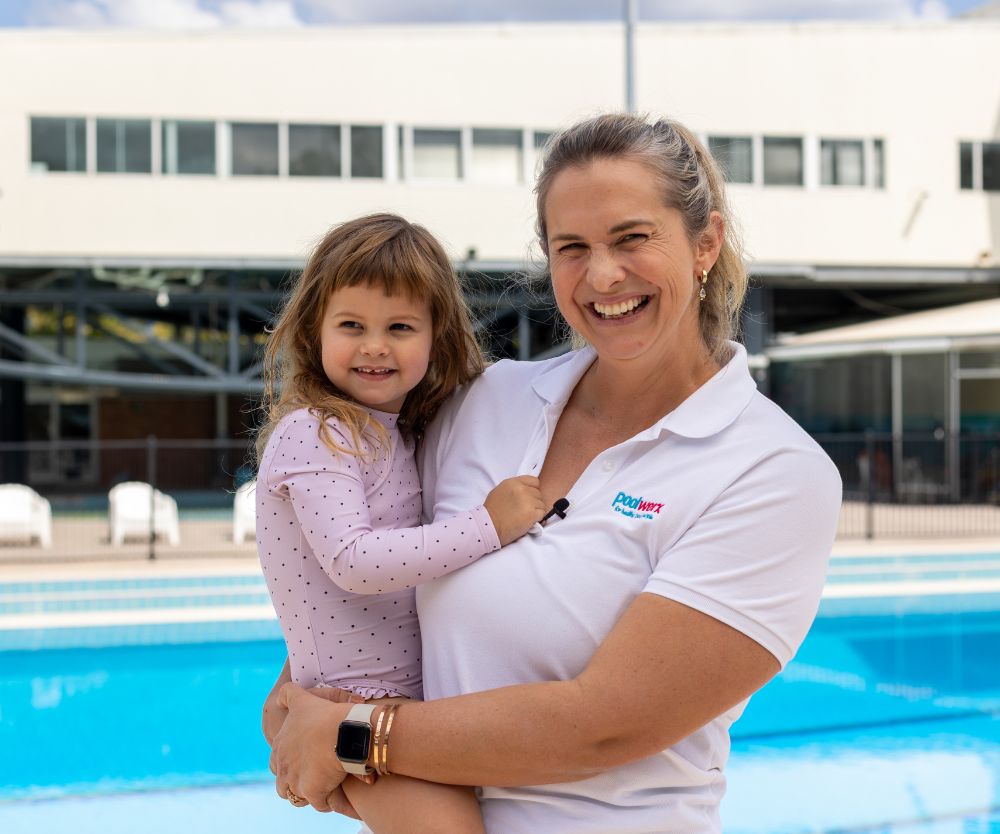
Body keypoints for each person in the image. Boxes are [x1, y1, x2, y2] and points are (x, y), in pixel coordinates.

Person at [263, 114, 843, 834]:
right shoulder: (483, 403)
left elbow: (599, 727)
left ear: (706, 243)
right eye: (573, 248)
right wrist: (300, 694)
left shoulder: (773, 472)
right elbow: (360, 557)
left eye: (632, 238)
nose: (603, 275)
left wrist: (350, 733)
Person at [254, 213, 547, 833]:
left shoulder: (402, 435)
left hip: (403, 708)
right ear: (315, 331)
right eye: (352, 325)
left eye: (400, 327)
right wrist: (489, 525)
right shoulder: (318, 433)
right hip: (353, 708)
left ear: (436, 337)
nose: (375, 345)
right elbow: (353, 562)